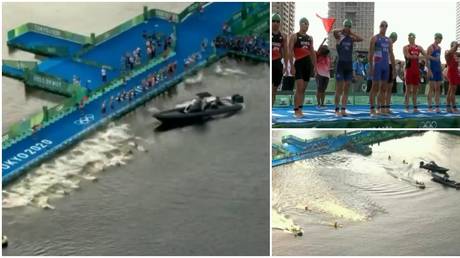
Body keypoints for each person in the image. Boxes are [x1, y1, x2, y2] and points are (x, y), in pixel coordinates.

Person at [332, 19, 363, 116]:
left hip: (349, 65)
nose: (348, 28)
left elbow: (360, 39)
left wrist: (351, 33)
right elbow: (334, 31)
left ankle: (343, 109)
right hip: (340, 64)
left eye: (349, 26)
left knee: (347, 88)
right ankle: (337, 109)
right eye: (347, 26)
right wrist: (343, 29)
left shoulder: (351, 38)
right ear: (344, 26)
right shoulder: (339, 37)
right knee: (339, 88)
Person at [289, 17, 316, 118]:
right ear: (300, 24)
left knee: (303, 89)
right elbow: (290, 51)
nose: (306, 25)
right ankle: (296, 110)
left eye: (308, 24)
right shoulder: (294, 36)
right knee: (299, 88)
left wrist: (315, 66)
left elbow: (312, 52)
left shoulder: (310, 38)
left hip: (307, 65)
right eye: (305, 23)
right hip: (299, 63)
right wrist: (291, 66)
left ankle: (300, 108)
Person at [368, 21, 396, 116]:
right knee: (375, 87)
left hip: (386, 66)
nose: (384, 27)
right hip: (377, 65)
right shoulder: (375, 38)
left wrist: (394, 69)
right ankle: (372, 109)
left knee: (384, 88)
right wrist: (371, 67)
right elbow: (370, 53)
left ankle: (381, 108)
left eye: (386, 26)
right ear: (379, 26)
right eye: (382, 25)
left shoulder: (388, 40)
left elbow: (391, 54)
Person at [403, 33, 427, 113]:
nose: (411, 38)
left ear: (415, 38)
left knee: (415, 90)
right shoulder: (406, 47)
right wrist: (420, 57)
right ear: (408, 38)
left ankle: (415, 107)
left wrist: (426, 55)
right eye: (409, 37)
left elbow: (426, 55)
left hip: (416, 70)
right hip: (409, 69)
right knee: (408, 89)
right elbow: (408, 56)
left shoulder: (419, 47)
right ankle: (406, 107)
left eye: (412, 37)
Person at [272, 13, 288, 105]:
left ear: (280, 23)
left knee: (274, 90)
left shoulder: (283, 36)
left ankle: (271, 111)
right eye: (273, 21)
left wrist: (285, 66)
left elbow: (285, 52)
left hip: (278, 64)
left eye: (277, 21)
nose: (275, 23)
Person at [427, 33, 443, 113]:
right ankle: (430, 106)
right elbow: (427, 58)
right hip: (432, 69)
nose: (440, 40)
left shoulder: (439, 48)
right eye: (439, 38)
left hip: (438, 70)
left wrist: (441, 69)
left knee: (438, 89)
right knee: (431, 89)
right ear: (436, 38)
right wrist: (429, 70)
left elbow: (439, 59)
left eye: (441, 39)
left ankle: (437, 106)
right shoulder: (430, 47)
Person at [383, 32, 398, 114]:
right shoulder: (387, 42)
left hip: (389, 66)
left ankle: (386, 107)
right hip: (386, 65)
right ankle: (383, 107)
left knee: (388, 89)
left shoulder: (389, 43)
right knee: (385, 89)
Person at [445, 41, 460, 113]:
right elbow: (449, 53)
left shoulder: (456, 54)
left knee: (451, 90)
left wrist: (457, 46)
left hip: (456, 72)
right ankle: (453, 107)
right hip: (451, 72)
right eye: (455, 45)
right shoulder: (448, 52)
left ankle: (448, 106)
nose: (456, 47)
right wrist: (455, 45)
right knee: (452, 90)